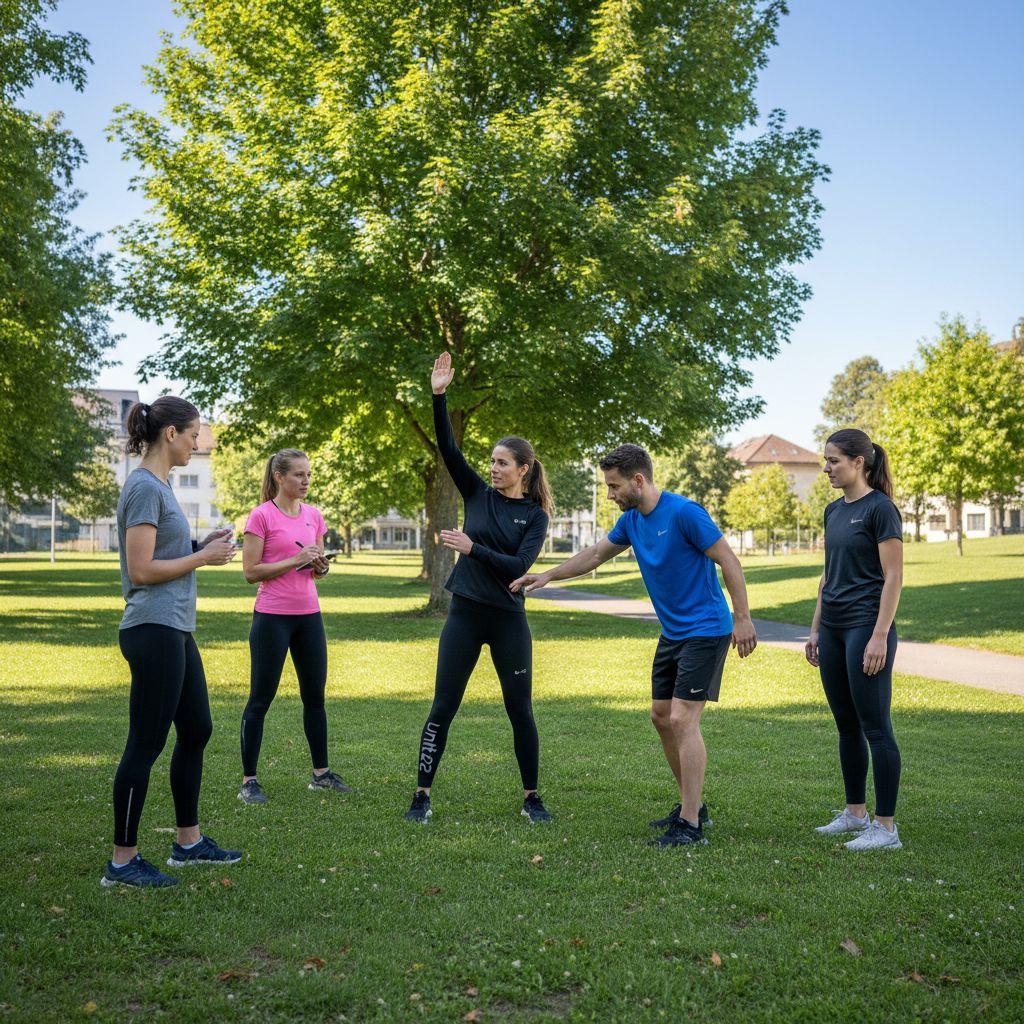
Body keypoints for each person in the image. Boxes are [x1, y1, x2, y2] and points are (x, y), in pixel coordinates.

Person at [511, 443, 757, 847]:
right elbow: (593, 555)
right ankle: (691, 805)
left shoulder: (684, 513)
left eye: (613, 486)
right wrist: (548, 575)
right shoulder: (632, 522)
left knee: (682, 719)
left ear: (638, 481)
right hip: (673, 632)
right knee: (661, 716)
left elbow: (728, 560)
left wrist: (742, 619)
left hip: (707, 628)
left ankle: (691, 825)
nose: (609, 495)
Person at [405, 351, 553, 824]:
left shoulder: (535, 516)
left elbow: (518, 566)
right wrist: (438, 396)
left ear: (523, 469)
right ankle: (422, 795)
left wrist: (473, 549)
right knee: (442, 706)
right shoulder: (476, 494)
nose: (492, 468)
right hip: (465, 614)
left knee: (520, 711)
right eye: (490, 461)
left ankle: (532, 797)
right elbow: (448, 450)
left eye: (502, 463)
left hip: (508, 619)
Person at [103, 397, 242, 888]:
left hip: (175, 627)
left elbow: (163, 551)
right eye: (193, 435)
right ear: (170, 435)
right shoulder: (144, 487)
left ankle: (188, 842)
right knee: (145, 743)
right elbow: (141, 570)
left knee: (198, 728)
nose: (197, 443)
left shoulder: (159, 486)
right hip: (152, 628)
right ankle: (122, 861)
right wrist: (202, 559)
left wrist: (200, 545)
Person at [805, 429, 904, 850]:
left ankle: (885, 828)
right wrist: (814, 628)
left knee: (875, 727)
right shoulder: (832, 510)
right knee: (847, 726)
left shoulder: (881, 509)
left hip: (867, 627)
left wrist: (880, 635)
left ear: (859, 462)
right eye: (825, 461)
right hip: (834, 629)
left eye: (833, 461)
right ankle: (855, 813)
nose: (826, 468)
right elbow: (829, 574)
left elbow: (894, 576)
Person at [237, 449, 350, 804]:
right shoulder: (261, 516)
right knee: (260, 699)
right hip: (272, 617)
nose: (305, 481)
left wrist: (320, 566)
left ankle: (321, 774)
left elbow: (313, 567)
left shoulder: (314, 516)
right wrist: (294, 560)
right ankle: (249, 781)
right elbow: (251, 572)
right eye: (299, 475)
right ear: (279, 477)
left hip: (309, 616)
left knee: (314, 697)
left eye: (308, 475)